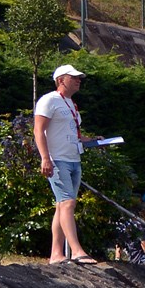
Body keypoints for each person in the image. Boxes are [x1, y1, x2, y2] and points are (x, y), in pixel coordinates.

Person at [34, 63, 95, 264]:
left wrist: (93, 141)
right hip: (58, 160)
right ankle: (77, 251)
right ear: (61, 80)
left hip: (74, 160)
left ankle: (55, 254)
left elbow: (73, 134)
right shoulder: (49, 100)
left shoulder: (71, 104)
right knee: (68, 203)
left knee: (62, 206)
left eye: (79, 77)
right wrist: (45, 158)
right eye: (74, 77)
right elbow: (39, 131)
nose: (79, 80)